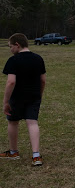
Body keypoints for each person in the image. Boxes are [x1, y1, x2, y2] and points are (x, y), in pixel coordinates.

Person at [1, 33, 46, 166]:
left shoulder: (13, 60)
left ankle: (14, 152)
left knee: (13, 122)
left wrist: (5, 102)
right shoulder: (38, 59)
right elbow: (42, 80)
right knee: (32, 123)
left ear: (17, 45)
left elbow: (11, 82)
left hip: (16, 98)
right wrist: (39, 95)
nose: (10, 50)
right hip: (34, 96)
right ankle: (36, 156)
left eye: (10, 47)